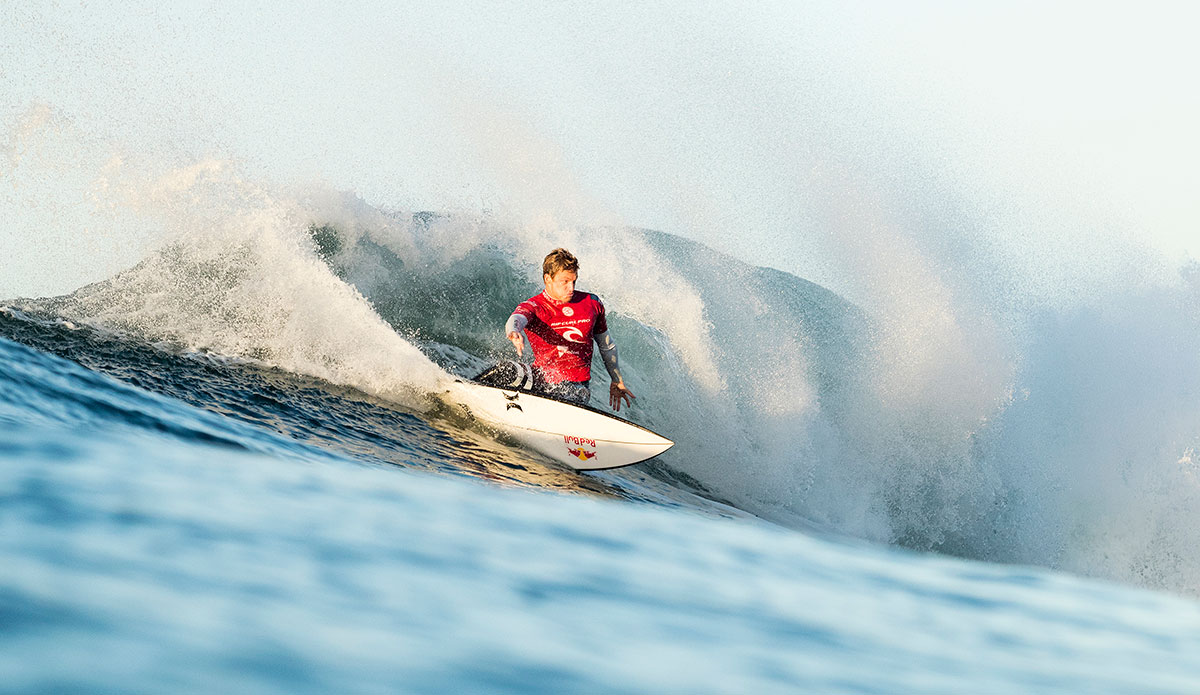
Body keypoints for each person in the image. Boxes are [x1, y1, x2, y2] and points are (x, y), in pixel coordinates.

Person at [502, 248, 636, 411]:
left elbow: (606, 345)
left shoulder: (592, 303)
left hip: (575, 387)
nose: (571, 288)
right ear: (548, 279)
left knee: (565, 391)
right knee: (508, 370)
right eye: (564, 282)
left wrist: (617, 380)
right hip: (541, 379)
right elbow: (516, 318)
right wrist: (513, 331)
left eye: (574, 281)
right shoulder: (536, 306)